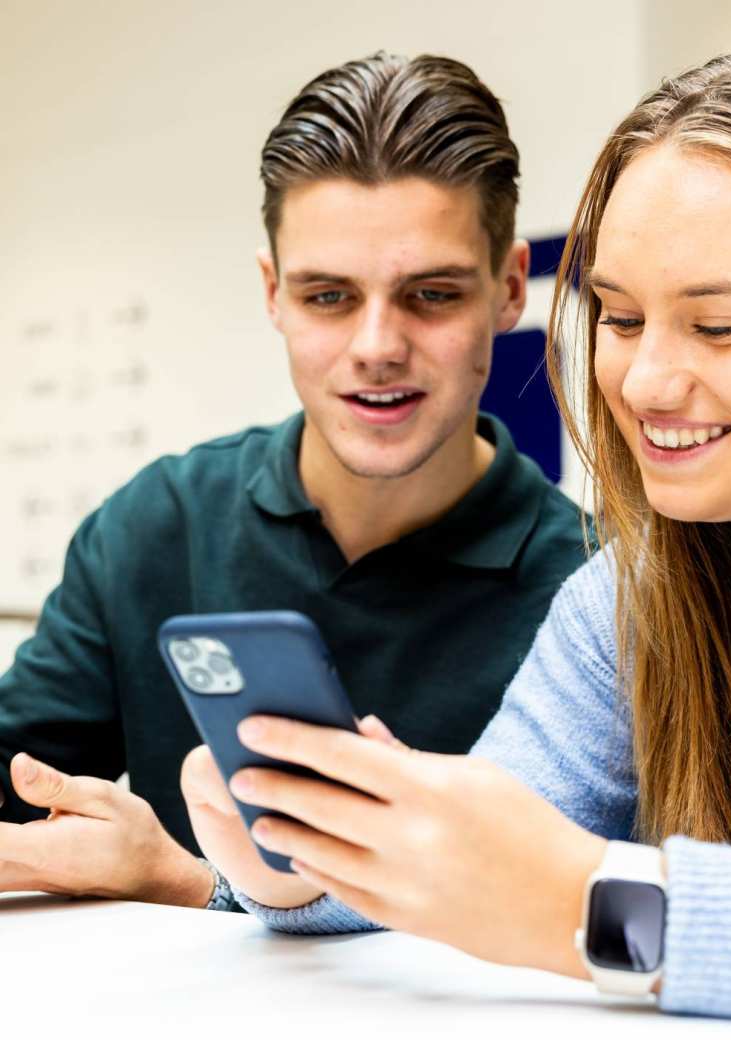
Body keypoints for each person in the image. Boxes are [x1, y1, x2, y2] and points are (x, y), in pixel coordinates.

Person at [184, 39, 731, 1034]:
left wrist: (604, 905)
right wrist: (296, 864)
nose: (640, 384)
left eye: (717, 327)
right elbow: (486, 865)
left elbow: (562, 893)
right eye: (619, 317)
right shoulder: (625, 601)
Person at [0, 53, 588, 910]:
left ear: (505, 291)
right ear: (274, 294)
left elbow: (569, 913)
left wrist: (185, 883)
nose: (377, 345)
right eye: (328, 297)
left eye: (430, 294)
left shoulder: (597, 592)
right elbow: (20, 783)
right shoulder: (155, 525)